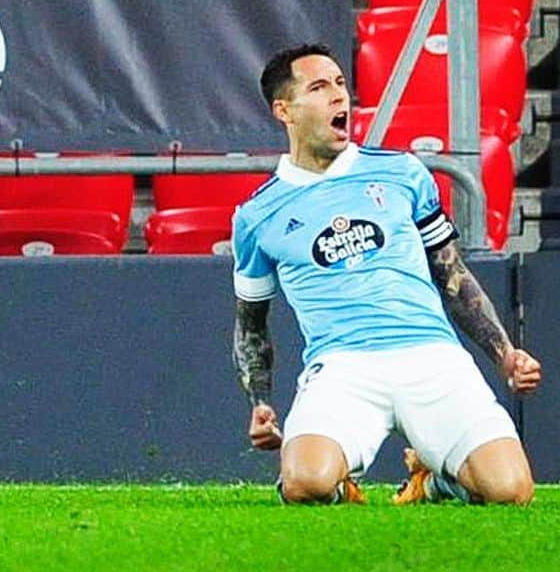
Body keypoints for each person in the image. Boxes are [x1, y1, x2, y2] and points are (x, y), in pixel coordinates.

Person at [231, 43, 541, 505]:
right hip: (342, 367)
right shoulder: (257, 215)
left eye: (341, 84)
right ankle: (337, 477)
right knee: (304, 485)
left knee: (511, 492)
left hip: (432, 355)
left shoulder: (404, 173)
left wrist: (504, 354)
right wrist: (260, 402)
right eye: (319, 88)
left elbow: (452, 277)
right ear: (285, 110)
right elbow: (250, 324)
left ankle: (435, 480)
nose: (340, 97)